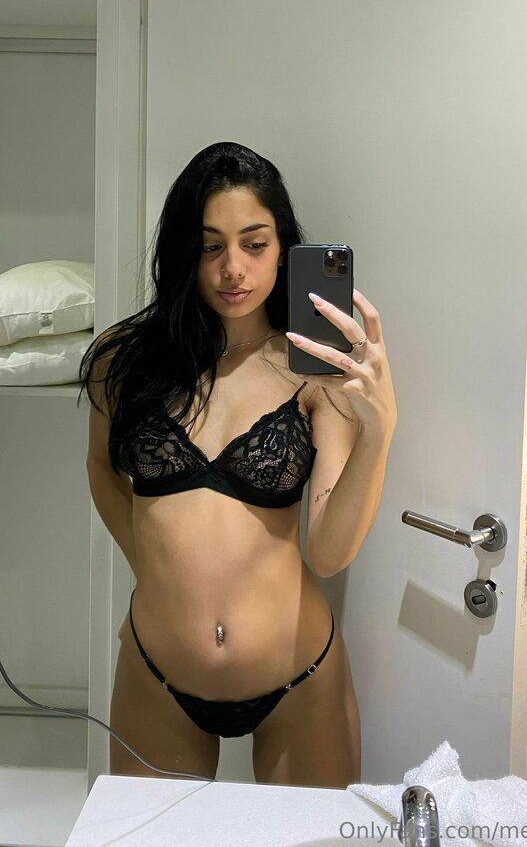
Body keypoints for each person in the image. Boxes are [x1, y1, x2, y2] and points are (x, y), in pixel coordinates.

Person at [80, 141, 397, 789]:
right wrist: (153, 569)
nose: (233, 268)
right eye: (210, 246)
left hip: (299, 678)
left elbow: (329, 552)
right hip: (157, 677)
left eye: (254, 244)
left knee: (309, 839)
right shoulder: (125, 361)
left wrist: (380, 430)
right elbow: (101, 470)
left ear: (283, 249)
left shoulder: (314, 373)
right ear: (184, 252)